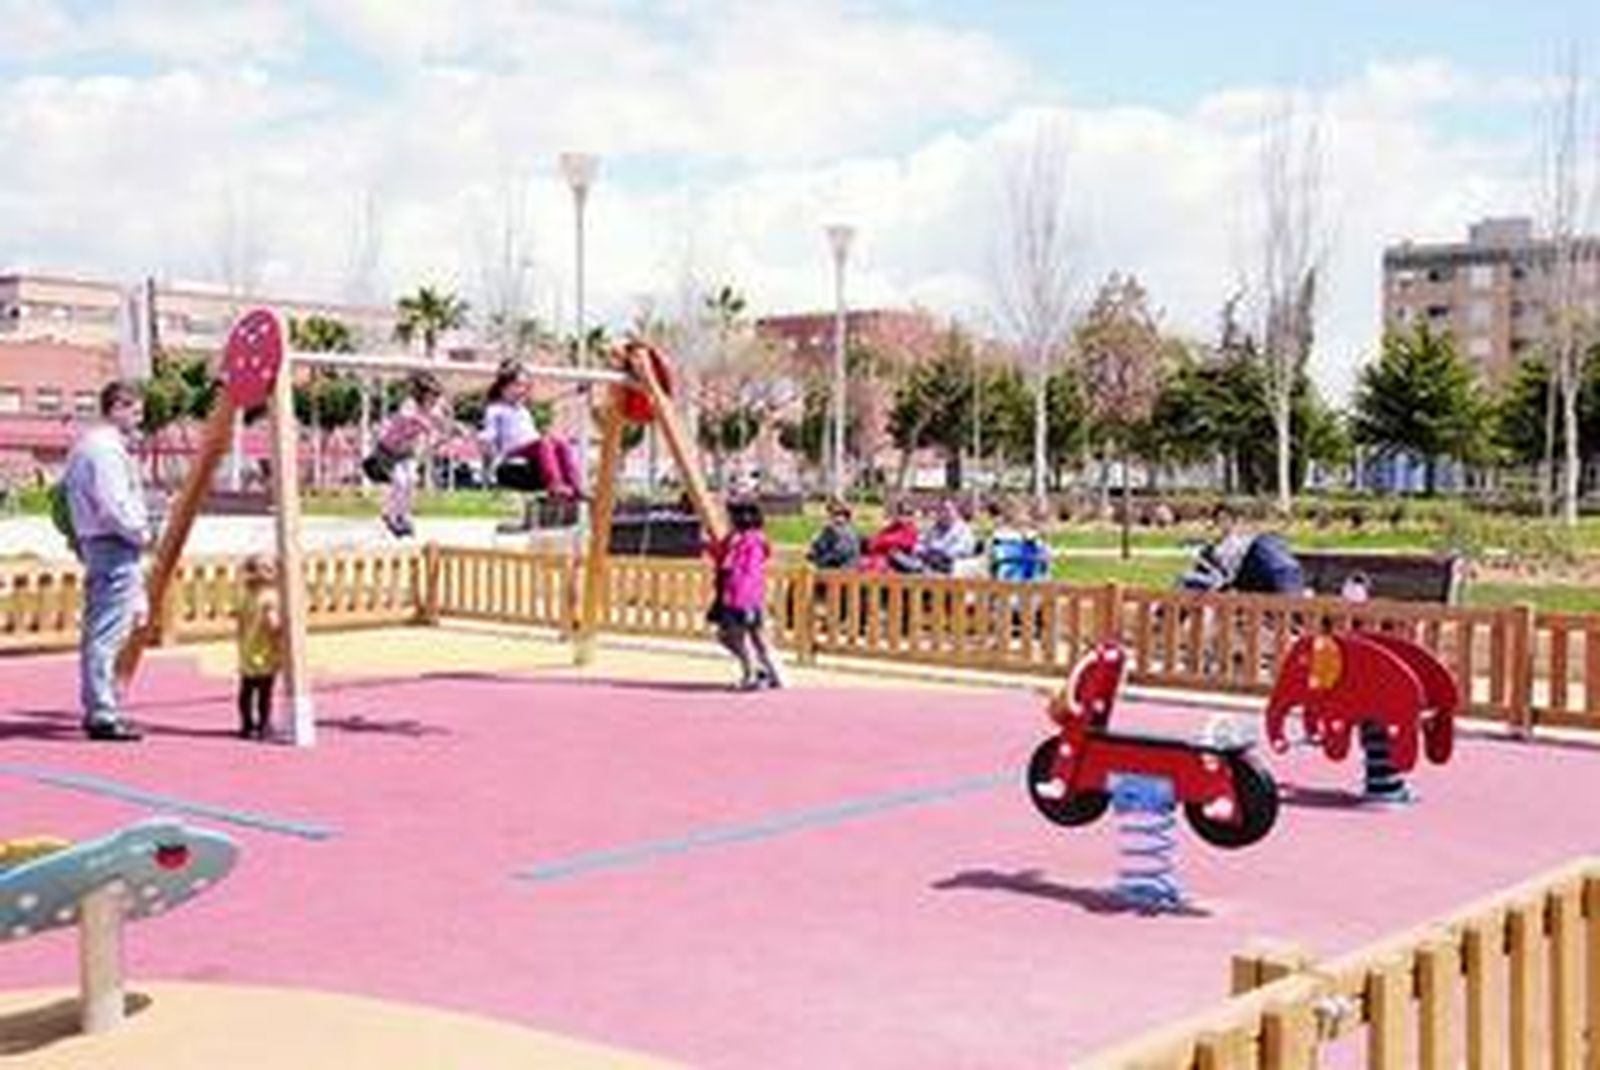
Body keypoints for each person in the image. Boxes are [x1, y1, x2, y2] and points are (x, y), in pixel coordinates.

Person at [62, 380, 148, 742]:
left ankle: (100, 704)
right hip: (113, 542)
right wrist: (140, 531)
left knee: (102, 627)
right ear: (118, 407)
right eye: (136, 411)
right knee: (108, 631)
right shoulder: (106, 451)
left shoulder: (86, 448)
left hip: (98, 541)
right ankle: (102, 711)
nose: (139, 419)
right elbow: (114, 505)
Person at [478, 360, 583, 501]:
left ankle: (575, 486)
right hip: (513, 450)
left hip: (531, 449)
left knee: (560, 442)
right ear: (503, 388)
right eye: (517, 386)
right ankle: (555, 485)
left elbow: (531, 434)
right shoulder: (496, 409)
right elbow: (489, 433)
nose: (522, 390)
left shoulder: (523, 411)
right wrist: (486, 445)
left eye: (524, 386)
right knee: (544, 442)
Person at [368, 372, 455, 538]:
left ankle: (404, 515)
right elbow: (407, 417)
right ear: (421, 396)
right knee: (400, 482)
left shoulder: (434, 410)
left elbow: (442, 425)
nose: (433, 402)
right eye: (430, 398)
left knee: (411, 481)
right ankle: (391, 516)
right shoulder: (410, 405)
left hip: (407, 452)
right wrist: (427, 423)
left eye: (435, 398)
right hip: (389, 449)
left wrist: (446, 426)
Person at [708, 500, 782, 690]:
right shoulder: (758, 540)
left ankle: (752, 673)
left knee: (732, 636)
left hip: (737, 593)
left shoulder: (740, 542)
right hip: (754, 594)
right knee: (758, 636)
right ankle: (774, 674)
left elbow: (729, 566)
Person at [235, 555, 282, 741]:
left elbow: (240, 623)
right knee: (265, 693)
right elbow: (273, 624)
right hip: (264, 651)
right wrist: (282, 629)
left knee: (246, 690)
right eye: (269, 569)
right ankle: (264, 725)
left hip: (247, 649)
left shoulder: (246, 596)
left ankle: (247, 724)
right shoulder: (269, 598)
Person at [988, 498, 1051, 582]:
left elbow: (1044, 564)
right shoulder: (1001, 539)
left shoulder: (1033, 540)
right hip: (1016, 584)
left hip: (1021, 585)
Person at [860, 498, 920, 573]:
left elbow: (901, 542)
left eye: (908, 513)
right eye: (900, 512)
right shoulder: (893, 527)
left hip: (897, 567)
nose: (903, 516)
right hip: (878, 561)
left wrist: (878, 543)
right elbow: (878, 538)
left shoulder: (910, 530)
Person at [917, 498, 977, 574]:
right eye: (941, 510)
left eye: (947, 510)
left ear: (956, 511)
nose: (943, 513)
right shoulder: (935, 528)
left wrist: (934, 549)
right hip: (933, 566)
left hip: (954, 570)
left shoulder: (963, 529)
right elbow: (921, 543)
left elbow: (958, 550)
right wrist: (923, 550)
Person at [806, 498, 861, 570]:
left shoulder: (837, 530)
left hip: (840, 569)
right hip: (843, 567)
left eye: (833, 513)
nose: (830, 517)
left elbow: (838, 555)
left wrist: (817, 558)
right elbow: (815, 547)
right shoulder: (847, 529)